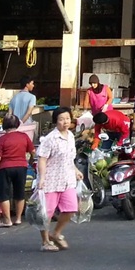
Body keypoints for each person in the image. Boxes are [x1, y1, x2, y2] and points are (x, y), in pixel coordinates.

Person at [36, 107, 83, 252]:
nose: (65, 122)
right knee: (47, 213)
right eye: (61, 119)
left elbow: (69, 158)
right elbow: (42, 159)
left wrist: (75, 170)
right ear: (56, 121)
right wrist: (42, 178)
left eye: (67, 118)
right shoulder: (50, 139)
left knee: (71, 208)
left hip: (67, 179)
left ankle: (56, 233)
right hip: (50, 180)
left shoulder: (70, 136)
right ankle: (45, 242)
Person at [0, 113, 34, 227]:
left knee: (4, 194)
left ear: (4, 125)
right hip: (21, 167)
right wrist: (30, 162)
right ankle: (18, 218)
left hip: (4, 168)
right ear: (17, 124)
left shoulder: (2, 139)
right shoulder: (24, 136)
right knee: (19, 193)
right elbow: (33, 152)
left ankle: (7, 220)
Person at [7, 76, 41, 142]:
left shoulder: (14, 98)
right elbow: (28, 113)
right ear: (27, 85)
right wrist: (21, 123)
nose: (33, 86)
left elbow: (9, 114)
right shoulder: (32, 97)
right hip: (27, 127)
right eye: (32, 83)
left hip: (15, 127)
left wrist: (15, 125)